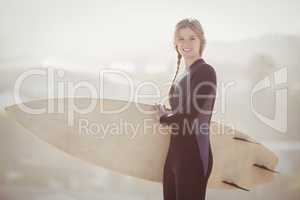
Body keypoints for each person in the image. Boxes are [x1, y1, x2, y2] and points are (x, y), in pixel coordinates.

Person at [154, 18, 217, 200]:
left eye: (192, 38)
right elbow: (180, 111)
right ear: (175, 43)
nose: (186, 43)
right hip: (174, 155)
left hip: (194, 156)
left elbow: (189, 115)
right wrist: (167, 113)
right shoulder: (182, 75)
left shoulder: (206, 71)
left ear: (201, 41)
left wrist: (164, 117)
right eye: (180, 39)